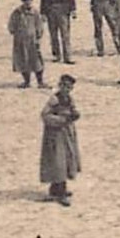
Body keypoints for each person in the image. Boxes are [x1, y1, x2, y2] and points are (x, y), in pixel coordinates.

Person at [39, 74, 81, 206]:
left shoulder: (69, 99)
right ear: (60, 85)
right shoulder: (54, 99)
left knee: (66, 159)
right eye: (64, 86)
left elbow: (72, 110)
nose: (67, 89)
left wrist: (75, 114)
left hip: (67, 134)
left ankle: (56, 189)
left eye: (69, 87)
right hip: (55, 135)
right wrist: (60, 120)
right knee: (58, 161)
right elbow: (45, 115)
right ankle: (60, 192)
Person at [40, 0, 78, 64]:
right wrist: (43, 12)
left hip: (63, 9)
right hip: (51, 9)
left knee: (65, 34)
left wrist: (73, 9)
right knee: (53, 34)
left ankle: (67, 56)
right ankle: (56, 55)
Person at [9, 0, 46, 89]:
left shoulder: (35, 12)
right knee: (22, 60)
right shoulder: (17, 12)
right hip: (20, 41)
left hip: (33, 41)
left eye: (29, 0)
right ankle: (26, 81)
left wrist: (38, 37)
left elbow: (39, 26)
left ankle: (40, 81)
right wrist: (16, 33)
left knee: (36, 61)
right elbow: (11, 26)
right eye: (25, 0)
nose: (27, 2)